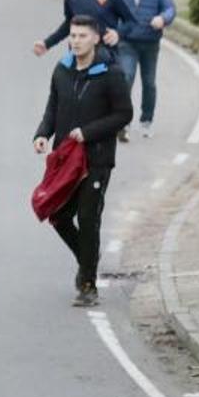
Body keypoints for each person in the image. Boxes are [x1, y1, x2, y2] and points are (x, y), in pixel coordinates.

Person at [33, 16, 132, 307]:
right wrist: (42, 133)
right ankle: (88, 257)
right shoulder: (62, 69)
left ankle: (88, 284)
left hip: (96, 159)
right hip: (66, 158)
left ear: (96, 39)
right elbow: (53, 106)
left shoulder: (111, 73)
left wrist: (87, 133)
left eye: (82, 36)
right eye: (73, 36)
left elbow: (124, 114)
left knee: (89, 220)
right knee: (59, 215)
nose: (76, 41)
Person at [108, 0, 177, 138]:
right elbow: (108, 5)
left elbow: (170, 8)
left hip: (150, 40)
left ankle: (146, 120)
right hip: (126, 39)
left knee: (149, 83)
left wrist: (162, 19)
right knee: (126, 78)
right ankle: (123, 123)